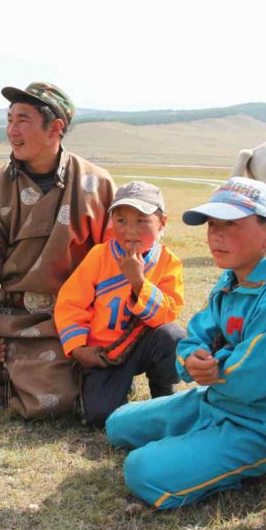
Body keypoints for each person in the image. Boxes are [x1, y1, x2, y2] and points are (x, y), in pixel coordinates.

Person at [105, 177, 266, 509]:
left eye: (231, 224)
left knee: (142, 470)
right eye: (212, 224)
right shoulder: (233, 279)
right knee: (118, 424)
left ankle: (236, 464)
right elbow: (197, 334)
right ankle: (201, 445)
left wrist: (209, 363)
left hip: (262, 426)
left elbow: (248, 382)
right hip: (214, 401)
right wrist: (191, 359)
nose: (216, 235)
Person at [0, 83, 116, 418]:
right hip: (6, 312)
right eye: (10, 120)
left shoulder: (95, 185)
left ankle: (25, 374)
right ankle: (15, 369)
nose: (12, 131)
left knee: (54, 400)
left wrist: (94, 328)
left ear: (55, 128)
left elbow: (112, 262)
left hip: (63, 318)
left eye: (23, 121)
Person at [54, 180, 185, 428]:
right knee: (100, 418)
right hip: (104, 353)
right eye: (121, 220)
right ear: (111, 221)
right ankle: (119, 387)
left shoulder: (168, 262)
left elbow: (167, 314)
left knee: (173, 335)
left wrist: (138, 282)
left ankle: (163, 394)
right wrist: (78, 348)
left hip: (145, 346)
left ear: (162, 223)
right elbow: (71, 304)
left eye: (142, 221)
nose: (130, 230)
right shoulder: (98, 257)